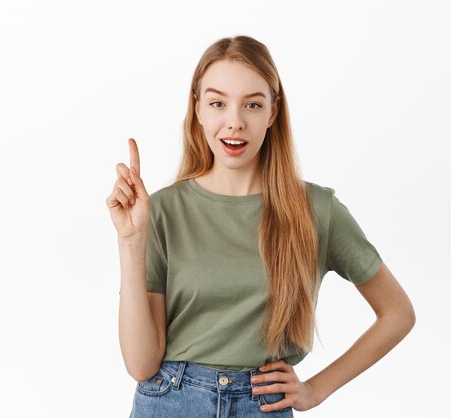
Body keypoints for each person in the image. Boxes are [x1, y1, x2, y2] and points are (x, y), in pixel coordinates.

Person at [106, 35, 415, 418]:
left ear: (272, 112)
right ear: (198, 108)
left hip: (263, 406)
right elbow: (140, 365)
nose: (234, 122)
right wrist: (131, 241)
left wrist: (316, 389)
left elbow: (398, 313)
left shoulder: (316, 210)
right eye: (218, 103)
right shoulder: (163, 210)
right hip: (172, 401)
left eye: (252, 104)